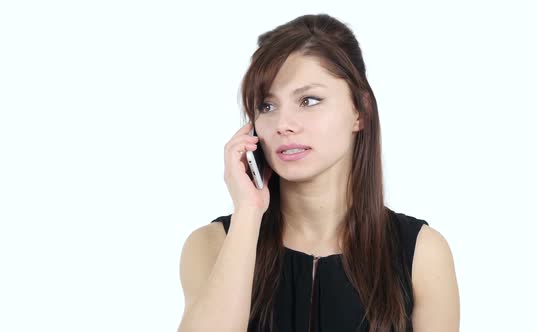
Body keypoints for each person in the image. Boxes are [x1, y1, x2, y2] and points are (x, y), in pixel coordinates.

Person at [178, 13, 459, 332]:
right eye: (267, 106)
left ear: (360, 112)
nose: (283, 124)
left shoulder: (422, 254)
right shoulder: (211, 244)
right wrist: (248, 213)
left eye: (309, 100)